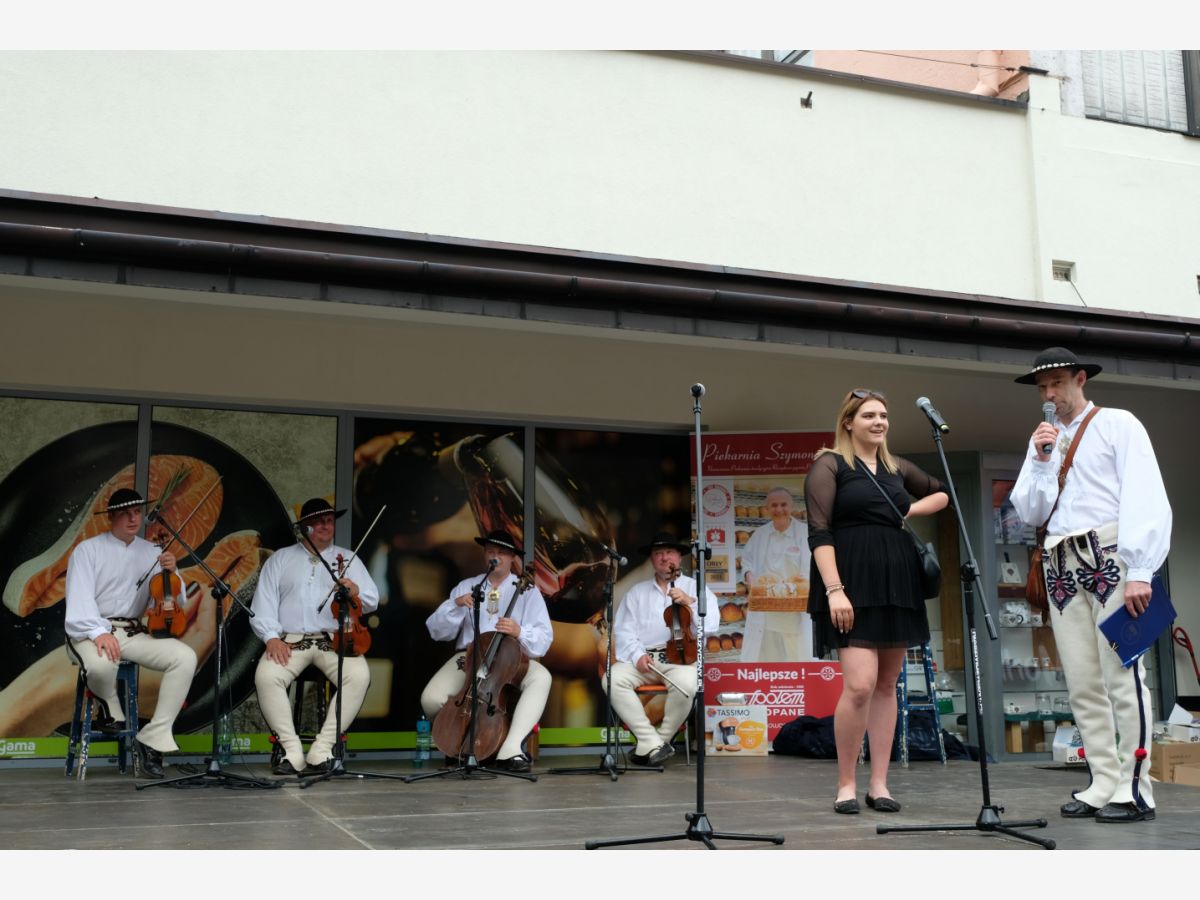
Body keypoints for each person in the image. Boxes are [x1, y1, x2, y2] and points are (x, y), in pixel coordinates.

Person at [1009, 347, 1170, 824]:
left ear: (1080, 379)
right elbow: (1030, 510)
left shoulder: (1119, 423)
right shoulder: (1042, 439)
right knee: (1081, 681)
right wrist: (1041, 459)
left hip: (1111, 554)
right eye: (1042, 387)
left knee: (1123, 675)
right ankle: (1103, 781)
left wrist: (1141, 570)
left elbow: (1146, 495)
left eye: (1057, 383)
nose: (1049, 394)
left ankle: (1135, 787)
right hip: (1060, 560)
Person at [804, 390, 949, 814]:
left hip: (896, 582)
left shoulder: (896, 466)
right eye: (869, 415)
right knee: (861, 684)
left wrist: (909, 511)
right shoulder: (830, 464)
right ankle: (846, 783)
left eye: (884, 415)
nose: (879, 422)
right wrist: (834, 590)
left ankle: (879, 784)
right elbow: (819, 532)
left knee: (887, 685)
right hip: (851, 582)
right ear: (848, 422)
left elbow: (942, 494)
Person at [64, 488, 198, 779]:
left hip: (133, 632)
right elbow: (79, 600)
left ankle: (154, 738)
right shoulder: (88, 550)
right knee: (101, 666)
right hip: (90, 631)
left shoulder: (152, 551)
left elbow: (171, 599)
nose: (133, 518)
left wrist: (172, 572)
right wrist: (99, 633)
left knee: (185, 657)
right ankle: (109, 703)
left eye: (137, 512)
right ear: (111, 517)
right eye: (125, 513)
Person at [250, 497, 379, 776]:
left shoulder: (348, 558)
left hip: (336, 639)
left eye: (329, 521)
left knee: (359, 676)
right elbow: (263, 604)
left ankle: (322, 749)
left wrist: (355, 590)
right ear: (304, 527)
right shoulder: (281, 559)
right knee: (266, 677)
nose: (325, 526)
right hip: (291, 640)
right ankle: (291, 751)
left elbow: (372, 600)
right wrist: (271, 637)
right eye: (318, 521)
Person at [420, 529, 552, 772]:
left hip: (511, 660)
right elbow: (437, 631)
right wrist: (455, 605)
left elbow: (544, 638)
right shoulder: (468, 586)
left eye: (501, 552)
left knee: (542, 678)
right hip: (470, 657)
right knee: (430, 698)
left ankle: (510, 749)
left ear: (512, 558)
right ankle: (456, 742)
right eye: (490, 551)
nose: (495, 557)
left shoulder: (528, 591)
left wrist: (519, 631)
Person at [610, 531, 719, 766]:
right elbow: (624, 630)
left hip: (681, 660)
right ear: (651, 559)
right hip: (646, 659)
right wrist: (638, 655)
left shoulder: (697, 588)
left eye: (669, 552)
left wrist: (690, 602)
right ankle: (651, 741)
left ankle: (659, 740)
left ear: (679, 558)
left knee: (687, 685)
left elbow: (711, 626)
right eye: (658, 553)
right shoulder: (636, 592)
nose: (664, 558)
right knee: (612, 679)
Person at [740, 487, 812, 662]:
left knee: (797, 657)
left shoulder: (805, 532)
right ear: (767, 508)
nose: (779, 509)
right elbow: (747, 560)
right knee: (768, 658)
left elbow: (811, 568)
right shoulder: (760, 534)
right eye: (774, 505)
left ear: (791, 506)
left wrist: (794, 588)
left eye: (783, 504)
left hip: (794, 608)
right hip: (766, 608)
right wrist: (749, 576)